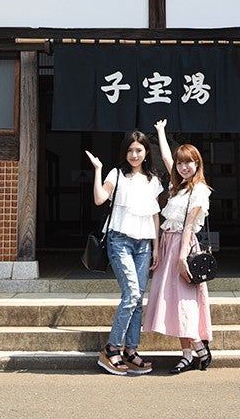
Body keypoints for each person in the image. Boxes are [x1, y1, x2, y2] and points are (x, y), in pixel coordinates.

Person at [84, 130, 162, 375]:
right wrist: (98, 169)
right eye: (130, 150)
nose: (134, 154)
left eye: (139, 150)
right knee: (131, 295)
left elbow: (154, 215)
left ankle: (131, 351)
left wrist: (156, 247)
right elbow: (99, 199)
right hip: (120, 241)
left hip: (144, 245)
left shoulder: (153, 179)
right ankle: (111, 349)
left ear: (146, 152)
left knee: (138, 299)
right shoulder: (116, 174)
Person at [143, 118, 213, 373]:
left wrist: (181, 257)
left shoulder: (200, 191)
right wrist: (161, 131)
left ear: (197, 164)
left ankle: (198, 348)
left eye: (188, 162)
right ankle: (190, 353)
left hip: (184, 247)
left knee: (184, 302)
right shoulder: (177, 186)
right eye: (181, 162)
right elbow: (166, 158)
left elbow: (188, 227)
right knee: (174, 302)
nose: (183, 167)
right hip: (168, 243)